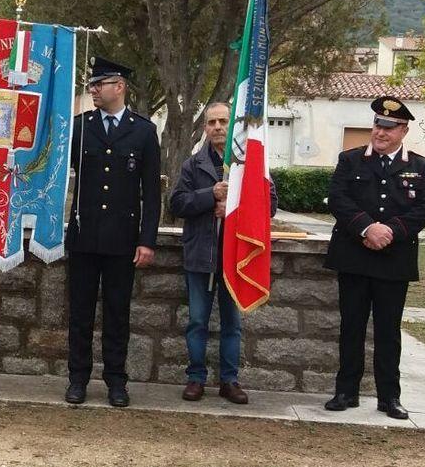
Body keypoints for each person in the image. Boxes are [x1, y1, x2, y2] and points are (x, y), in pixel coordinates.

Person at [323, 96, 425, 419]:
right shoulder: (350, 160)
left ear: (403, 130)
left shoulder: (421, 167)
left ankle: (389, 397)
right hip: (354, 256)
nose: (380, 132)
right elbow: (338, 199)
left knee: (389, 331)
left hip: (393, 260)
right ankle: (346, 391)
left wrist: (389, 232)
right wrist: (366, 228)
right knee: (352, 327)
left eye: (388, 127)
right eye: (377, 125)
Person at [64, 56, 161, 408]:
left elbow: (151, 192)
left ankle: (116, 381)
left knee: (117, 314)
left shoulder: (143, 131)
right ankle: (77, 379)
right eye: (92, 85)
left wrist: (147, 240)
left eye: (98, 84)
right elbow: (59, 169)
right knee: (80, 313)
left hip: (122, 239)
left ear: (118, 87)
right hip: (85, 235)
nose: (92, 90)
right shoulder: (81, 125)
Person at [169, 102, 276, 403]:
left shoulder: (252, 162)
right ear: (204, 127)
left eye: (223, 121)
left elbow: (269, 204)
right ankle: (195, 378)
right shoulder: (193, 165)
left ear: (234, 125)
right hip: (201, 256)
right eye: (211, 122)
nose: (217, 127)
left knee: (232, 324)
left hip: (236, 258)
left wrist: (232, 210)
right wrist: (210, 196)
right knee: (198, 321)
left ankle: (229, 381)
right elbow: (177, 204)